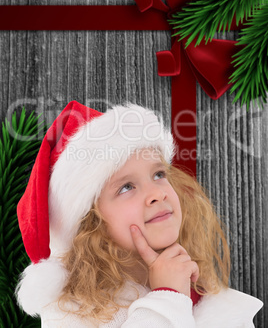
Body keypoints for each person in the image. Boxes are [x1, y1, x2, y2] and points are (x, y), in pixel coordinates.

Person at [15, 100, 263, 327]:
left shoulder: (203, 292)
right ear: (90, 222)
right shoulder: (72, 311)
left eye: (158, 174)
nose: (157, 193)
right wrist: (168, 298)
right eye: (126, 187)